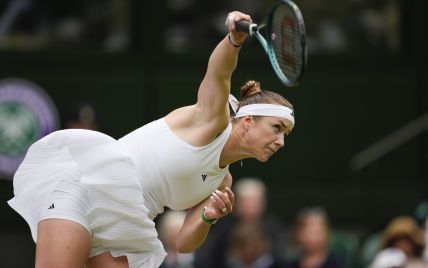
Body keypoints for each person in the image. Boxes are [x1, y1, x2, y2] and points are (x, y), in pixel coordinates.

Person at [7, 10, 295, 268]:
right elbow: (220, 73)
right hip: (84, 190)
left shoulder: (224, 182)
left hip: (126, 229)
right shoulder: (212, 121)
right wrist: (233, 40)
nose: (280, 142)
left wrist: (209, 215)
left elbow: (183, 243)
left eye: (285, 133)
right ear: (247, 121)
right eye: (276, 128)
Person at [194, 177, 287, 268]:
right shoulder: (223, 228)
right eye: (246, 202)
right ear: (235, 203)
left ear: (262, 203)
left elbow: (281, 257)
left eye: (254, 202)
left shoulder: (273, 228)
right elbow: (212, 258)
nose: (250, 207)